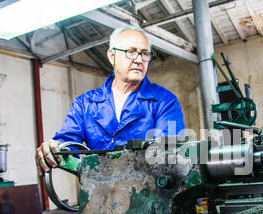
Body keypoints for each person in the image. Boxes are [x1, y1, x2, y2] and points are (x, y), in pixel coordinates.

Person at [35, 26, 185, 176]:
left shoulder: (164, 101)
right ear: (112, 55)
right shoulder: (85, 104)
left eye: (145, 53)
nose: (139, 60)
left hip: (149, 195)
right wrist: (54, 149)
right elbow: (67, 143)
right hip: (99, 194)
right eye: (131, 52)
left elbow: (169, 153)